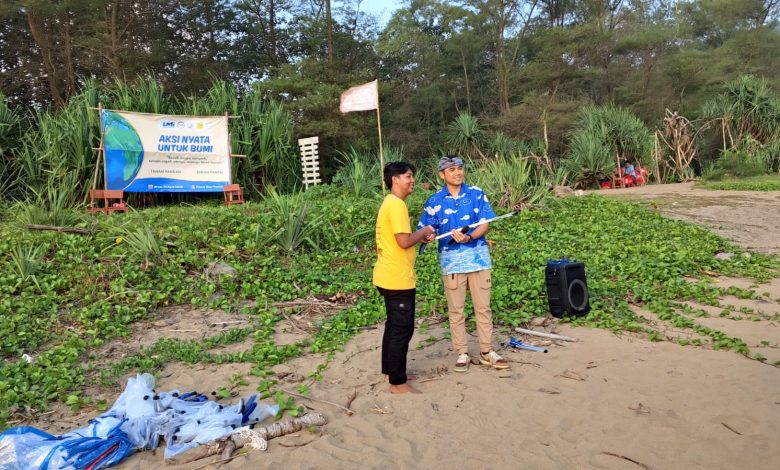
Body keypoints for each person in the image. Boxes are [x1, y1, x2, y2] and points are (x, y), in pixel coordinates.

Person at [418, 155, 509, 373]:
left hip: (478, 260)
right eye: (451, 170)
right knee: (456, 310)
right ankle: (462, 352)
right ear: (442, 174)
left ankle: (487, 351)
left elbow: (484, 224)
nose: (457, 172)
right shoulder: (434, 201)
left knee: (483, 307)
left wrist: (469, 237)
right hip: (451, 264)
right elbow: (426, 230)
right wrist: (428, 236)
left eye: (459, 168)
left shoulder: (476, 194)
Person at [373, 161, 435, 394]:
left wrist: (418, 236)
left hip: (388, 275)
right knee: (402, 329)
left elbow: (401, 239)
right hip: (397, 278)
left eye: (412, 176)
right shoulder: (396, 205)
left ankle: (391, 372)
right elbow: (403, 241)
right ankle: (397, 383)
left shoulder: (389, 203)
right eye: (408, 176)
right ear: (395, 179)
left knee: (393, 326)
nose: (412, 181)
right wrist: (425, 231)